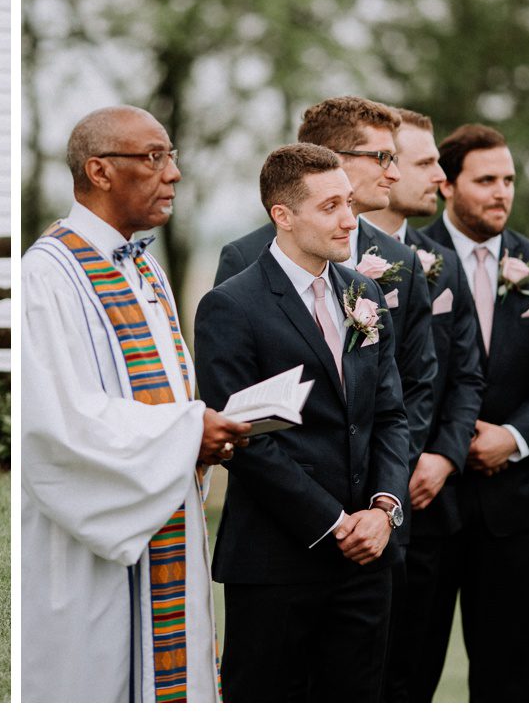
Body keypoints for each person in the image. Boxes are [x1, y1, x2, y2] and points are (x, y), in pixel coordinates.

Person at [22, 105, 251, 703]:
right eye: (154, 157)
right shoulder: (45, 278)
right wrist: (186, 433)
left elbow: (170, 391)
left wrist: (199, 435)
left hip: (164, 523)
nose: (173, 173)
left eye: (170, 155)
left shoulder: (143, 266)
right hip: (88, 550)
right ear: (99, 171)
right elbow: (55, 424)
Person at [194, 143, 409, 702]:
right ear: (282, 216)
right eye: (331, 206)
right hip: (276, 566)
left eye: (350, 202)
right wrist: (338, 524)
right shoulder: (230, 307)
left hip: (367, 564)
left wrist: (384, 512)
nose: (349, 219)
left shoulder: (365, 294)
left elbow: (389, 416)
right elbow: (246, 442)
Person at [421, 124, 529, 700]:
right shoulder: (405, 261)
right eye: (486, 179)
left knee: (509, 683)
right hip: (429, 506)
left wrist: (513, 437)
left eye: (508, 180)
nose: (502, 192)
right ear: (446, 184)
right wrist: (447, 444)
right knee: (406, 677)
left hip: (517, 506)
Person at [214, 96, 436, 481]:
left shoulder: (402, 260)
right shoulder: (243, 259)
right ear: (333, 157)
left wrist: (389, 485)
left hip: (380, 500)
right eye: (382, 157)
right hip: (286, 501)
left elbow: (413, 384)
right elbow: (238, 411)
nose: (394, 173)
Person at [361, 108, 485, 701]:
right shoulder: (327, 254)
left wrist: (443, 454)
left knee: (415, 678)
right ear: (385, 169)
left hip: (428, 505)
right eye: (427, 162)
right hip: (351, 507)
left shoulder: (442, 262)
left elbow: (466, 375)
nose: (441, 176)